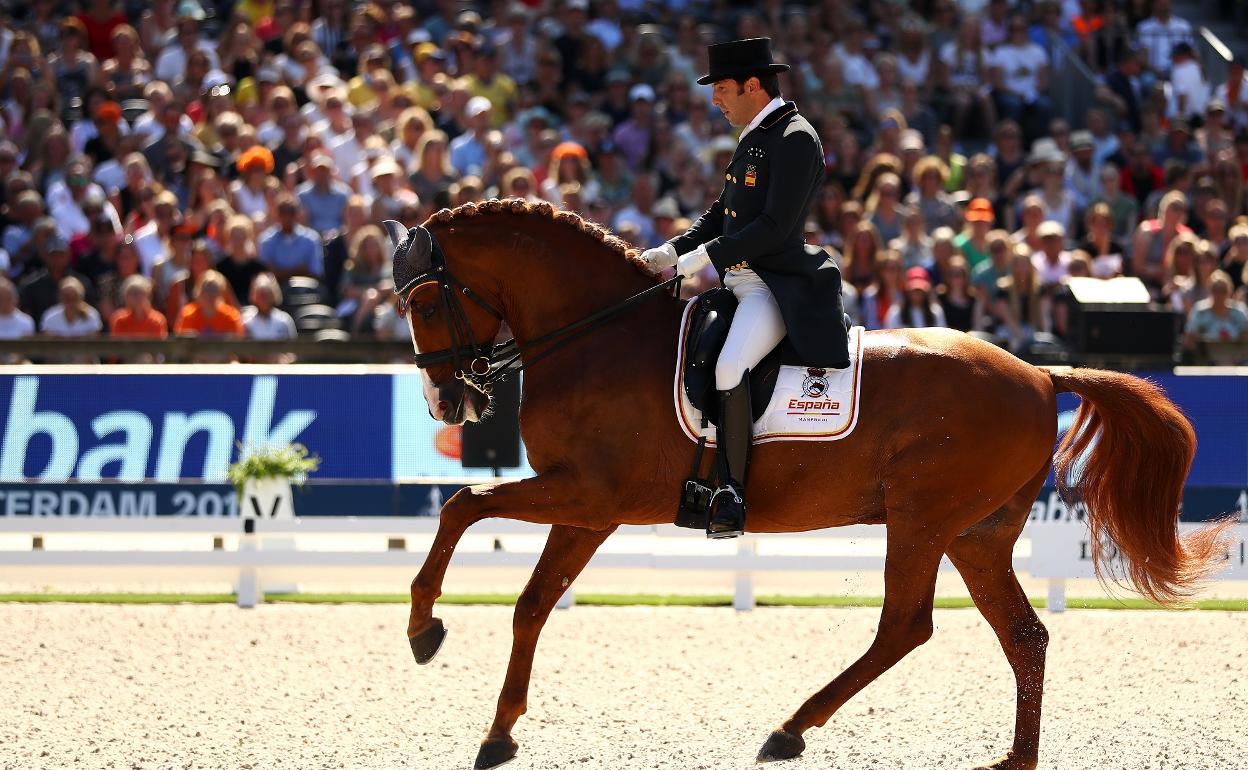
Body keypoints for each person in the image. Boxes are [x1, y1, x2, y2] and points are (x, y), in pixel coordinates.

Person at [639, 37, 848, 539]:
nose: (716, 100)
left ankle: (731, 491)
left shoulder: (795, 137)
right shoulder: (756, 135)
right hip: (736, 282)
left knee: (731, 365)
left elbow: (775, 227)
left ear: (753, 85)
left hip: (770, 287)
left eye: (724, 89)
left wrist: (701, 259)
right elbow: (723, 214)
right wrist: (672, 250)